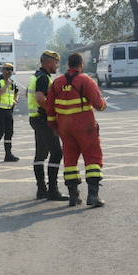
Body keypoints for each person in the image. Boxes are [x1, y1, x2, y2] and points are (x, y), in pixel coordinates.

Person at [45, 52, 108, 207]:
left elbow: (50, 108)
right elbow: (98, 105)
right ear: (81, 65)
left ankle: (74, 196)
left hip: (65, 128)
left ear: (68, 65)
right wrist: (104, 104)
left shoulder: (57, 83)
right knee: (93, 157)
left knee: (70, 160)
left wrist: (54, 127)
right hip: (84, 125)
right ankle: (93, 196)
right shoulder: (86, 80)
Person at [29, 50, 70, 201]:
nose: (57, 65)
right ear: (48, 62)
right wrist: (52, 112)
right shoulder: (44, 78)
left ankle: (41, 190)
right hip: (43, 120)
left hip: (36, 119)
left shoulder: (37, 76)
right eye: (56, 62)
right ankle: (52, 190)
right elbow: (40, 98)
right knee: (57, 153)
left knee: (41, 155)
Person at [0, 61, 20, 162]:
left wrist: (15, 99)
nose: (9, 72)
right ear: (2, 70)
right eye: (7, 69)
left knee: (9, 132)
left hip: (8, 110)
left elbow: (16, 92)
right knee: (0, 131)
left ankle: (8, 154)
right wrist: (6, 85)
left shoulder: (12, 83)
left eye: (11, 70)